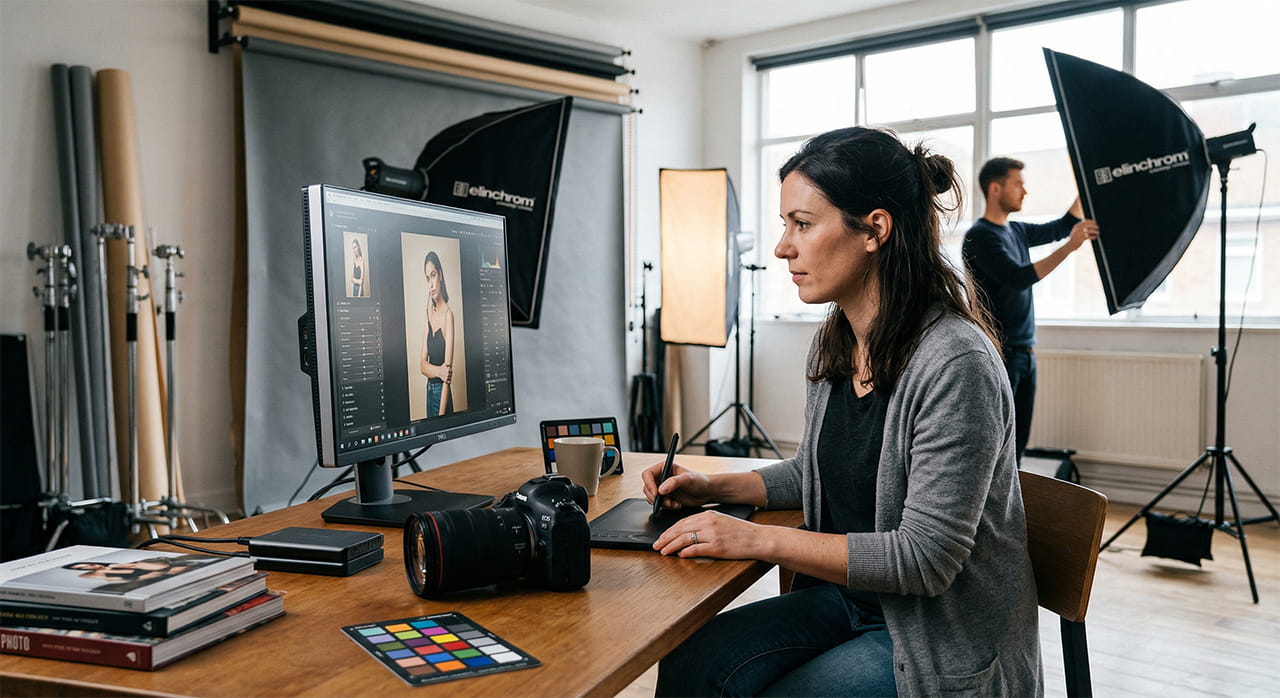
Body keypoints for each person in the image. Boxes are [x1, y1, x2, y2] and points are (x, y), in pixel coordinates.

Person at [646, 127, 1041, 696]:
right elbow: (817, 470)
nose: (784, 247)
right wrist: (711, 486)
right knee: (691, 663)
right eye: (787, 225)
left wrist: (754, 539)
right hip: (850, 601)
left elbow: (925, 559)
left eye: (802, 224)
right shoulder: (838, 340)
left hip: (936, 637)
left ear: (875, 230)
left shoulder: (956, 362)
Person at [962, 158, 1098, 463]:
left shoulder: (1017, 231)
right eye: (1018, 183)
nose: (1025, 191)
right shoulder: (979, 237)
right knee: (997, 440)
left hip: (1025, 353)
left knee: (1018, 441)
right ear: (996, 188)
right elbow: (1018, 277)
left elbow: (1064, 226)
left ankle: (1013, 508)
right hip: (999, 353)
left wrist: (1086, 185)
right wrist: (1069, 249)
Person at [418, 251, 454, 416]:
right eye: (427, 278)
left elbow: (447, 380)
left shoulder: (448, 315)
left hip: (441, 395)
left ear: (440, 275)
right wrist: (439, 372)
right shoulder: (428, 314)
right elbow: (422, 366)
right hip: (429, 390)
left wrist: (441, 417)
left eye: (433, 275)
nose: (430, 284)